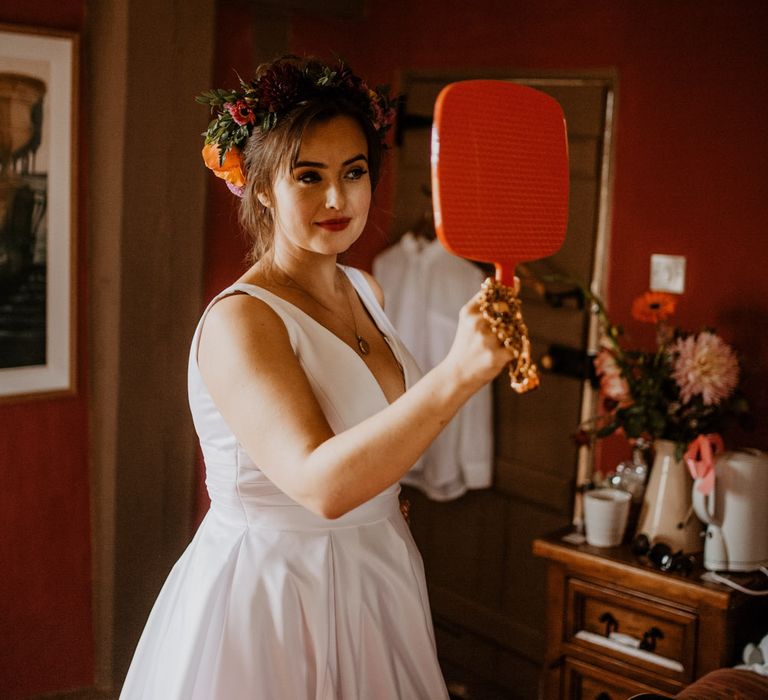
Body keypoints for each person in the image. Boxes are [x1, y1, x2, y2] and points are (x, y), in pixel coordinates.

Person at [120, 56, 511, 700]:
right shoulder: (241, 321)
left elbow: (377, 449)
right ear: (264, 186)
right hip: (273, 594)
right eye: (309, 176)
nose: (338, 199)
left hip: (376, 574)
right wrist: (459, 374)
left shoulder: (366, 289)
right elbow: (320, 485)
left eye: (354, 173)